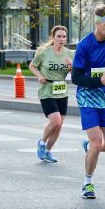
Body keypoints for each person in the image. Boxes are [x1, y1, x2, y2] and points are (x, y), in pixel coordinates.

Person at [71, 4, 105, 199]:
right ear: (97, 24)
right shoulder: (85, 45)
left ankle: (90, 148)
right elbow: (76, 77)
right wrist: (99, 80)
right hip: (88, 100)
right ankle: (88, 183)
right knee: (97, 143)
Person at [28, 25, 74, 163]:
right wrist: (39, 76)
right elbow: (32, 66)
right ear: (53, 38)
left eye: (64, 37)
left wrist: (72, 66)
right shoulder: (44, 53)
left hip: (61, 90)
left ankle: (48, 151)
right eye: (59, 36)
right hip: (47, 89)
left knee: (59, 125)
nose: (61, 39)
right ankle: (42, 142)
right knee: (55, 120)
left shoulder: (70, 54)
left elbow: (74, 74)